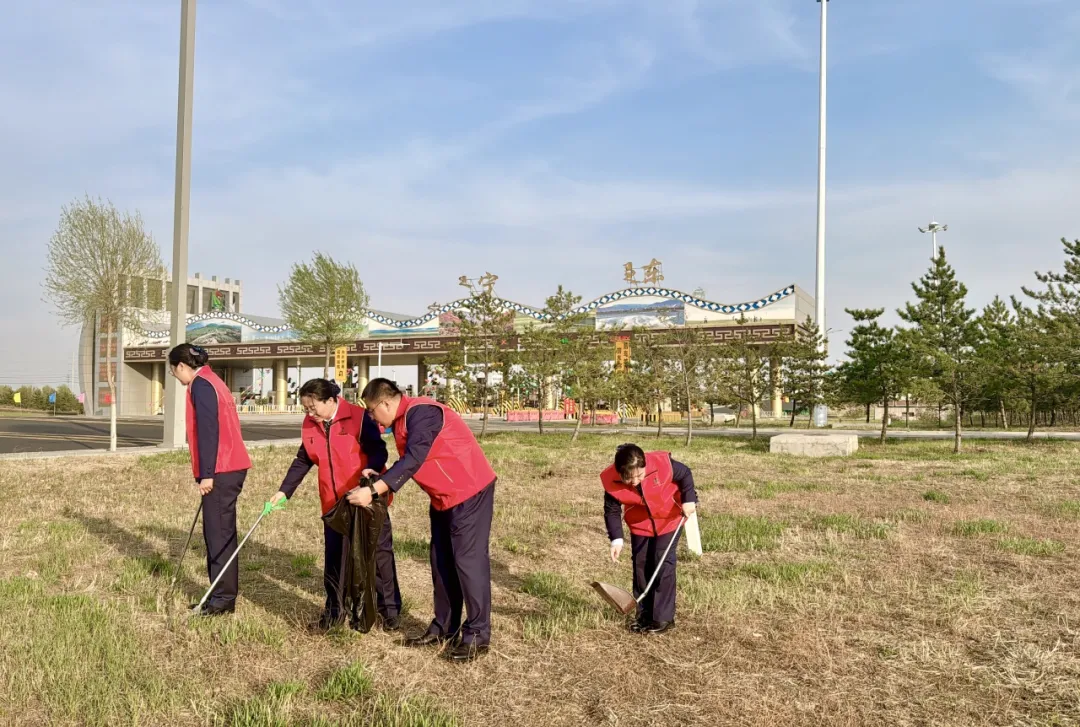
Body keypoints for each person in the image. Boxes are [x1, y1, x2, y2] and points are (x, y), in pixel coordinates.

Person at [348, 378, 496, 663]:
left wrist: (374, 490)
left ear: (386, 403)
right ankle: (444, 627)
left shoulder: (422, 412)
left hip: (469, 492)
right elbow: (414, 459)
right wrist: (382, 474)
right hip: (443, 496)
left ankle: (477, 634)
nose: (370, 417)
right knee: (440, 561)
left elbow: (416, 457)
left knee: (468, 562)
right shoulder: (404, 421)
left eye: (371, 410)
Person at [268, 378, 402, 631]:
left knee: (378, 554)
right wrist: (285, 491)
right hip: (332, 501)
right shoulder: (311, 424)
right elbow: (303, 459)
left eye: (313, 407)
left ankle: (389, 610)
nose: (310, 413)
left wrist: (371, 472)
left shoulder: (359, 417)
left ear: (331, 401)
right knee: (335, 557)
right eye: (305, 408)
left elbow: (378, 449)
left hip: (364, 497)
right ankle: (335, 611)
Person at [169, 343, 252, 616]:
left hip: (221, 468)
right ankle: (220, 595)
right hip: (231, 465)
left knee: (218, 535)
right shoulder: (214, 380)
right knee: (220, 532)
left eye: (173, 371)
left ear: (182, 366)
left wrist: (206, 474)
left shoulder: (201, 384)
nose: (174, 377)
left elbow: (208, 430)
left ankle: (222, 600)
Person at [601, 444, 698, 635]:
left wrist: (688, 499)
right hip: (640, 524)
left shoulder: (663, 464)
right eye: (629, 477)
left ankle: (662, 618)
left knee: (662, 562)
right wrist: (616, 540)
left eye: (640, 475)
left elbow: (685, 473)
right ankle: (644, 615)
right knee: (641, 564)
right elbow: (612, 510)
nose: (635, 480)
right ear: (619, 471)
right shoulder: (611, 480)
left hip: (669, 518)